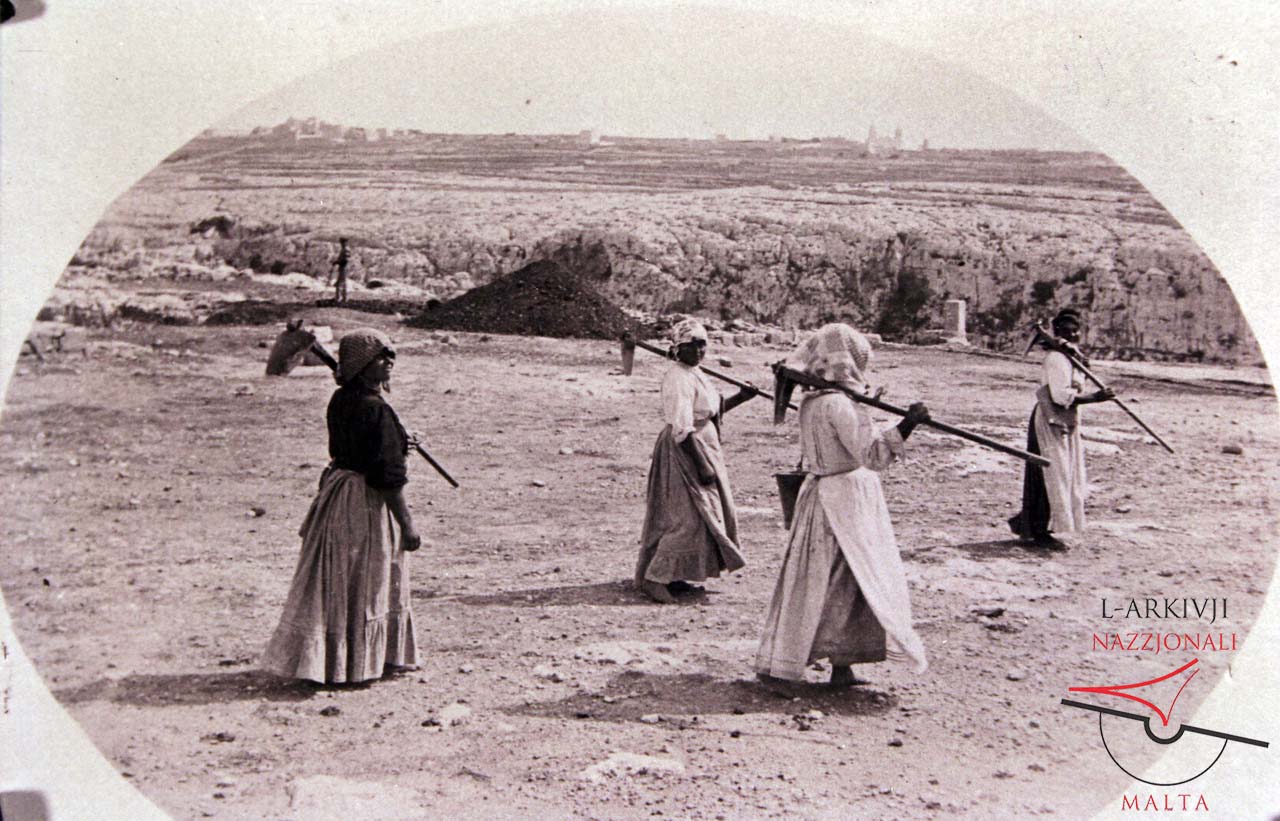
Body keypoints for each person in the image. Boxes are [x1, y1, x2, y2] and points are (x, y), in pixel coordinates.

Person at [755, 323, 929, 686]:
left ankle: (840, 664)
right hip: (845, 501)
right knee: (841, 581)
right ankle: (800, 667)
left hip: (822, 496)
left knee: (834, 580)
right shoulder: (839, 404)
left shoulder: (814, 400)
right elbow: (872, 455)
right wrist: (908, 424)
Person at [262, 328, 422, 684]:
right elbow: (388, 476)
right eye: (381, 357)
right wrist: (407, 525)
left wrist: (397, 440)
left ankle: (336, 662)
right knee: (367, 579)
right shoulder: (375, 409)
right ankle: (358, 665)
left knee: (340, 579)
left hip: (338, 496)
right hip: (365, 501)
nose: (389, 363)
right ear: (362, 365)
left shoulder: (342, 399)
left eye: (390, 355)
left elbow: (358, 447)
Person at [635, 319, 759, 604]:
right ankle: (654, 579)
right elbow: (682, 425)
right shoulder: (677, 377)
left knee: (703, 513)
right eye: (691, 345)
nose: (699, 350)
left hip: (703, 443)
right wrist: (702, 465)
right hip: (685, 448)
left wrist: (742, 397)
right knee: (687, 517)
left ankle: (676, 576)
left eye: (702, 344)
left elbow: (709, 411)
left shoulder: (696, 373)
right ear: (678, 348)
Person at [1007, 308, 1114, 547]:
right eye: (1067, 331)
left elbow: (1075, 387)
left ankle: (1028, 522)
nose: (1073, 334)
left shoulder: (1072, 357)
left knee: (1063, 473)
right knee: (1050, 473)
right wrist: (1095, 398)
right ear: (1057, 332)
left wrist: (1083, 369)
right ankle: (1038, 530)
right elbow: (1059, 396)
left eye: (1076, 330)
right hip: (1049, 420)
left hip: (1066, 420)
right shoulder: (1056, 359)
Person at [330, 237, 351, 304]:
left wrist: (337, 262)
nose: (341, 244)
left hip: (344, 268)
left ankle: (339, 299)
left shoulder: (346, 249)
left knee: (340, 283)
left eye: (342, 242)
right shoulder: (343, 249)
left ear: (345, 242)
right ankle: (343, 299)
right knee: (342, 283)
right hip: (342, 267)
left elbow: (345, 260)